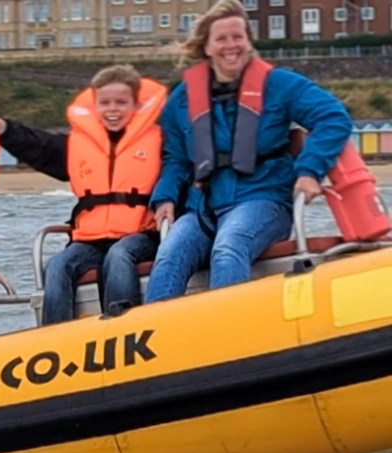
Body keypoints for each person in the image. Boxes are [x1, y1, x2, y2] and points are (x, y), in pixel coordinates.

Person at [145, 0, 352, 303]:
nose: (232, 45)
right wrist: (164, 196)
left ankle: (227, 336)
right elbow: (176, 158)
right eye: (222, 38)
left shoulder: (279, 84)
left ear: (249, 41)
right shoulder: (182, 99)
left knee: (228, 247)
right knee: (168, 256)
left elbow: (333, 117)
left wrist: (309, 171)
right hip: (204, 205)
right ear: (207, 47)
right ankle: (163, 340)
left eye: (238, 37)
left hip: (264, 198)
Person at [0, 64, 167, 324]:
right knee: (58, 265)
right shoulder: (77, 145)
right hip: (90, 240)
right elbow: (35, 144)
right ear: (95, 106)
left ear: (135, 105)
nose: (112, 109)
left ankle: (122, 327)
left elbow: (181, 172)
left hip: (141, 236)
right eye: (105, 102)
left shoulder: (161, 141)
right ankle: (54, 337)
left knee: (119, 256)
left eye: (121, 102)